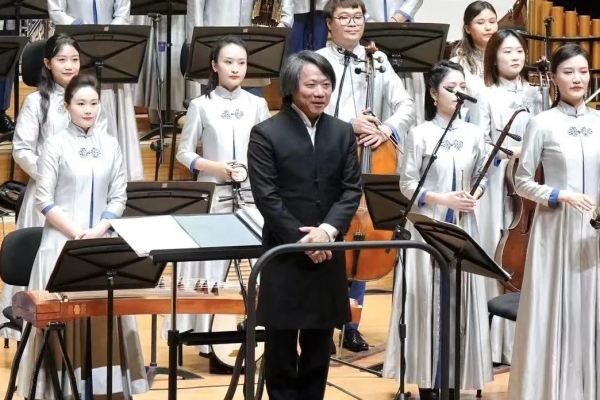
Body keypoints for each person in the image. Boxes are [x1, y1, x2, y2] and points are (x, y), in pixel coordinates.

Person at [16, 73, 148, 399]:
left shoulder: (111, 144)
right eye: (80, 103)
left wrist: (99, 230)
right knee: (61, 323)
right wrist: (76, 233)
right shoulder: (55, 143)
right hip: (60, 243)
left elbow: (118, 197)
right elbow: (43, 199)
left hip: (101, 243)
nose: (88, 110)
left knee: (103, 322)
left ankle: (104, 392)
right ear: (67, 106)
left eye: (93, 103)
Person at [247, 49, 362, 400]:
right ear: (291, 87)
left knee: (319, 346)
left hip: (328, 251)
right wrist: (304, 241)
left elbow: (351, 190)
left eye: (326, 85)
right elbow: (267, 197)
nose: (320, 93)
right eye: (311, 85)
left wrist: (326, 232)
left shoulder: (342, 132)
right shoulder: (266, 133)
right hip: (284, 253)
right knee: (280, 346)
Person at [382, 60, 492, 400]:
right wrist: (442, 198)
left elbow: (482, 176)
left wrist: (474, 195)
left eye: (463, 88)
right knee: (425, 300)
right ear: (433, 94)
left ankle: (456, 376)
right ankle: (425, 381)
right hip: (426, 227)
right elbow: (407, 184)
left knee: (460, 299)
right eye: (450, 88)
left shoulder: (475, 134)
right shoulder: (420, 134)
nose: (459, 94)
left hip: (463, 224)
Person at [163, 35, 271, 373]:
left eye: (241, 62)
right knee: (212, 268)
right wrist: (216, 168)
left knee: (254, 266)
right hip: (214, 194)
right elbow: (184, 153)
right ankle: (209, 342)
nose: (235, 68)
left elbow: (267, 149)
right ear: (214, 65)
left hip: (251, 196)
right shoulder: (201, 105)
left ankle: (251, 336)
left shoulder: (257, 104)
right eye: (228, 62)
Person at [317, 0, 415, 353]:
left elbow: (406, 105)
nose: (352, 23)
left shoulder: (378, 59)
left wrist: (385, 129)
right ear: (329, 24)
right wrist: (349, 126)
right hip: (328, 160)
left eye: (358, 17)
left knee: (363, 236)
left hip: (369, 160)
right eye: (344, 17)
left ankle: (352, 325)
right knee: (330, 241)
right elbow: (310, 109)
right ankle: (322, 326)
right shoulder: (317, 61)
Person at [0, 33, 108, 343]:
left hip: (84, 196)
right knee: (39, 263)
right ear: (47, 63)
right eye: (62, 60)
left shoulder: (92, 101)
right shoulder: (36, 102)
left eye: (75, 59)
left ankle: (79, 330)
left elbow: (102, 144)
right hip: (45, 196)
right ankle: (29, 329)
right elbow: (22, 149)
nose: (70, 66)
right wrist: (50, 175)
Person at [507, 43, 600, 400]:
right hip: (556, 229)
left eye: (583, 71)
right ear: (555, 78)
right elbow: (522, 182)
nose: (577, 78)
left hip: (594, 231)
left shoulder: (598, 122)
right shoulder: (542, 123)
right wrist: (560, 194)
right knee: (556, 310)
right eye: (568, 72)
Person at [469, 28, 543, 366]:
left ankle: (528, 342)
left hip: (533, 183)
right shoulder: (486, 95)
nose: (515, 57)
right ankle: (496, 344)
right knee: (497, 251)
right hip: (500, 180)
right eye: (507, 51)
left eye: (519, 51)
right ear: (493, 57)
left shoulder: (539, 92)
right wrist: (509, 153)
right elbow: (479, 141)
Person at [48, 0, 145, 182]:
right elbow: (55, 9)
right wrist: (77, 26)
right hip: (76, 45)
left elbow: (122, 12)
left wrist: (107, 34)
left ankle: (117, 175)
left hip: (112, 48)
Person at [186, 0, 294, 98]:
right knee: (212, 110)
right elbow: (195, 7)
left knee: (252, 109)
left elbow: (287, 10)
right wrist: (196, 47)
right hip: (215, 42)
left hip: (256, 45)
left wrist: (279, 28)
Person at [362, 0, 427, 124]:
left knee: (408, 99)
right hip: (368, 33)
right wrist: (367, 20)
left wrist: (396, 20)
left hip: (404, 33)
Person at [449, 1, 498, 120]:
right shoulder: (456, 64)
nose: (488, 27)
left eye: (492, 22)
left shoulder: (505, 59)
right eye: (480, 22)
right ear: (468, 28)